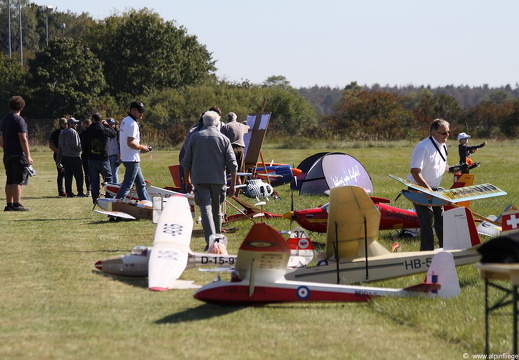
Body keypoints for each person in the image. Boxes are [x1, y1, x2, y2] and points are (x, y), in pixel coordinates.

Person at [181, 110, 238, 249]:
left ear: (203, 122)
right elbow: (233, 164)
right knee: (217, 210)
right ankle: (218, 242)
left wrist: (187, 181)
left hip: (200, 180)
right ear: (217, 122)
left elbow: (186, 162)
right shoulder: (223, 139)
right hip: (218, 180)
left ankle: (211, 243)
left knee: (205, 211)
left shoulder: (194, 137)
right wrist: (233, 185)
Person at [407, 118, 450, 251]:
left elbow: (438, 165)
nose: (447, 136)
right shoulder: (423, 147)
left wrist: (453, 168)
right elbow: (415, 171)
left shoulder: (443, 145)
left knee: (441, 219)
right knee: (427, 221)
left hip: (434, 189)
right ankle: (426, 252)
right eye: (444, 133)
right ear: (434, 133)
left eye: (448, 132)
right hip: (419, 189)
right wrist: (427, 190)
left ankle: (446, 249)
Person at [178, 106, 223, 192]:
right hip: (187, 159)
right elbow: (187, 151)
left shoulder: (213, 131)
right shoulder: (194, 132)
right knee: (187, 186)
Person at [0, 96, 33, 211]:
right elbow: (23, 139)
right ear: (22, 107)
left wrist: (7, 148)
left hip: (7, 154)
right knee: (18, 180)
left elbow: (1, 139)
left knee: (9, 179)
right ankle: (16, 204)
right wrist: (28, 155)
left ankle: (9, 204)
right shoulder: (19, 120)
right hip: (18, 154)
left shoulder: (4, 119)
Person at [115, 101, 151, 201]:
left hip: (127, 157)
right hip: (132, 159)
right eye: (140, 112)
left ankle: (148, 206)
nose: (142, 114)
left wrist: (139, 147)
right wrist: (141, 148)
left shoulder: (124, 120)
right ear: (133, 111)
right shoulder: (132, 124)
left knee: (141, 184)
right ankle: (115, 207)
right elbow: (130, 142)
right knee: (127, 185)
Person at [82, 113, 117, 204]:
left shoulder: (88, 130)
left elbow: (84, 144)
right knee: (108, 178)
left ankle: (95, 199)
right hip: (103, 159)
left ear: (93, 119)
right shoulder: (104, 129)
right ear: (101, 120)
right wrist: (107, 125)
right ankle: (109, 198)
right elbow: (114, 134)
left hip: (92, 158)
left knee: (94, 180)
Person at [57, 118, 87, 198]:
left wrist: (58, 159)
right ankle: (80, 192)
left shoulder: (62, 132)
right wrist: (81, 150)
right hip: (74, 156)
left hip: (65, 157)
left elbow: (59, 146)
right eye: (75, 123)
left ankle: (69, 193)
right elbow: (76, 145)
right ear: (70, 124)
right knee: (79, 175)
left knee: (68, 176)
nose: (76, 125)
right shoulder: (73, 132)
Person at [221, 112, 250, 184]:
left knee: (228, 171)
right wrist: (243, 123)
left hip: (230, 149)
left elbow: (222, 139)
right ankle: (237, 192)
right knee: (239, 173)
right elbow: (248, 127)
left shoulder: (225, 126)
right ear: (236, 118)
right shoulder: (241, 126)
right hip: (240, 149)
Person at [49, 118, 67, 197]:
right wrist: (59, 152)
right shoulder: (55, 133)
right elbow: (51, 145)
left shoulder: (68, 132)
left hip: (67, 155)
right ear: (61, 124)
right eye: (65, 124)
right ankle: (61, 191)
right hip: (58, 156)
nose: (66, 125)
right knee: (61, 173)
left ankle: (68, 191)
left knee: (68, 173)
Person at [105, 118, 121, 183]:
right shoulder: (105, 132)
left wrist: (120, 157)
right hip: (107, 155)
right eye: (110, 124)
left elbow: (120, 145)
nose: (111, 125)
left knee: (114, 173)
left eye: (113, 124)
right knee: (108, 174)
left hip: (115, 155)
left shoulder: (117, 133)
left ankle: (115, 188)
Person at [80, 119, 92, 196]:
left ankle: (90, 189)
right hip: (89, 156)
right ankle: (90, 189)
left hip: (87, 155)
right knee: (89, 173)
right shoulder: (83, 134)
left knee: (88, 173)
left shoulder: (83, 134)